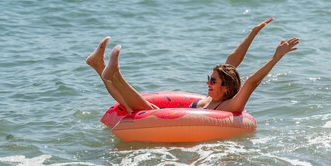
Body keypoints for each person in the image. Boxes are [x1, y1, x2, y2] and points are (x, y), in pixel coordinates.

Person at [86, 17, 299, 114]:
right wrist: (253, 33)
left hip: (176, 129)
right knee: (135, 105)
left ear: (225, 87)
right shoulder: (210, 98)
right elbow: (233, 60)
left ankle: (109, 71)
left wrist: (276, 57)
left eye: (213, 80)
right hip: (171, 119)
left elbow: (251, 82)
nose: (208, 82)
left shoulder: (231, 106)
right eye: (210, 77)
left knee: (142, 107)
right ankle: (100, 66)